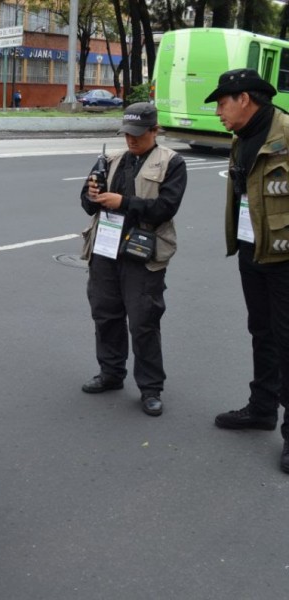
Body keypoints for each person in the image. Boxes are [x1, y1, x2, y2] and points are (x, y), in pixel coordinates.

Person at [204, 68, 289, 473]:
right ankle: (262, 408)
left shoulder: (286, 132)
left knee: (287, 339)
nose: (218, 111)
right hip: (251, 250)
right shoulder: (242, 138)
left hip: (286, 257)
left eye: (222, 102)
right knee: (262, 331)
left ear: (245, 99)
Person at [79, 103, 188, 416]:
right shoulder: (110, 160)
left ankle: (151, 388)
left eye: (139, 134)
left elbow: (165, 208)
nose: (131, 140)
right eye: (127, 133)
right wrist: (92, 194)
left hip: (143, 253)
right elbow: (87, 204)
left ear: (155, 131)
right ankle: (111, 373)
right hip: (105, 248)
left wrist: (122, 202)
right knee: (105, 313)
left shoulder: (172, 163)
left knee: (144, 321)